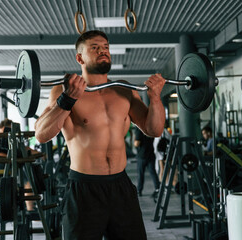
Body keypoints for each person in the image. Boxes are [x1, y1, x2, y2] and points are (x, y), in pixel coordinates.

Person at [35, 30, 166, 240]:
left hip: (121, 186)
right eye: (94, 47)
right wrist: (68, 100)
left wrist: (156, 99)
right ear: (80, 58)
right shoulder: (63, 91)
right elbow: (41, 134)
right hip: (84, 189)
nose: (102, 51)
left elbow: (154, 130)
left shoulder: (124, 90)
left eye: (105, 47)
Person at [134, 127, 160, 198]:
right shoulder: (150, 128)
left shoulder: (139, 129)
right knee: (153, 172)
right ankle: (158, 188)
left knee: (140, 173)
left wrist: (134, 141)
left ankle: (139, 190)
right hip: (150, 153)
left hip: (142, 155)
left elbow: (137, 143)